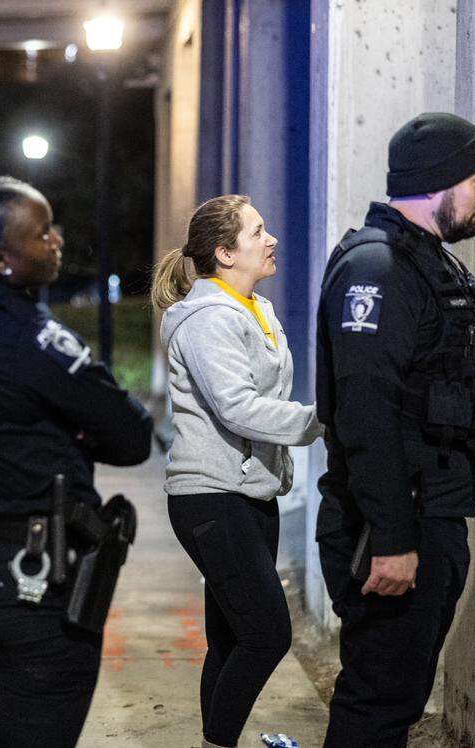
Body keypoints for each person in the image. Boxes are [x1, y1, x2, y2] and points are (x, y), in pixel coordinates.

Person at [315, 112, 475, 745]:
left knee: (395, 697)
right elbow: (365, 416)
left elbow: (459, 376)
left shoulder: (430, 263)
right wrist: (394, 541)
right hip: (392, 523)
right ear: (438, 183)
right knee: (377, 701)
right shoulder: (377, 269)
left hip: (429, 515)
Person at [0, 176, 153, 747]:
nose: (57, 239)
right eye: (42, 232)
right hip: (36, 581)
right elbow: (133, 436)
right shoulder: (35, 338)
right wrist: (75, 428)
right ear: (0, 260)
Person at [151, 194, 324, 748]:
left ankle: (214, 740)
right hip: (211, 497)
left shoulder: (255, 309)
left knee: (230, 638)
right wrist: (325, 422)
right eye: (257, 232)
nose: (270, 240)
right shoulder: (206, 320)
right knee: (268, 634)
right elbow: (237, 406)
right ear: (224, 253)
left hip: (252, 492)